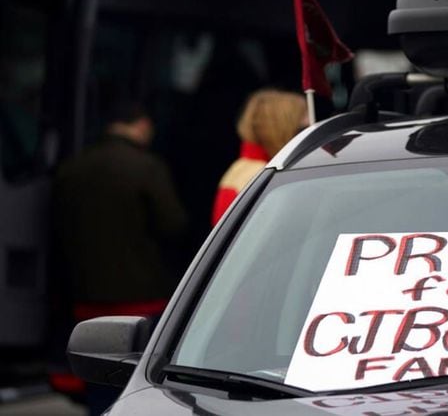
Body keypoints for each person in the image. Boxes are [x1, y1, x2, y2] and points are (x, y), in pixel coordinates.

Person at [52, 100, 187, 416]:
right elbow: (174, 225)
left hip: (86, 296)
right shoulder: (147, 167)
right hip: (142, 296)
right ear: (140, 124)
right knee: (138, 380)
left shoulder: (72, 168)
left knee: (96, 378)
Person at [211, 89, 307, 225]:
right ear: (281, 128)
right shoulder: (266, 175)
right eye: (302, 128)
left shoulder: (241, 167)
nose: (309, 126)